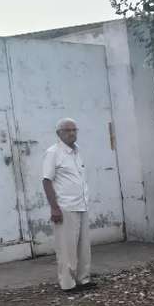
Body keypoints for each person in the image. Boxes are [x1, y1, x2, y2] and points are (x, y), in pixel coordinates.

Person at [42, 118, 93, 292]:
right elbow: (47, 181)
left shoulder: (77, 151)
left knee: (84, 246)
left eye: (74, 130)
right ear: (59, 134)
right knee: (67, 248)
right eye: (67, 130)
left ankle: (83, 279)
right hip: (65, 207)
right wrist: (54, 207)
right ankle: (68, 284)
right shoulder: (53, 152)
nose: (72, 133)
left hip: (82, 204)